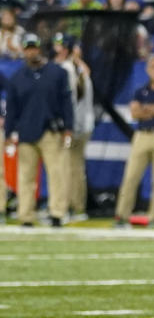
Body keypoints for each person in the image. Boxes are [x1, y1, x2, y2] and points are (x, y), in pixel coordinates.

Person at [4, 33, 74, 227]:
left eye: (34, 47)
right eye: (27, 48)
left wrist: (68, 126)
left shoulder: (57, 73)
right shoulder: (17, 78)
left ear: (40, 49)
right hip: (26, 133)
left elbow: (66, 101)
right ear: (23, 50)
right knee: (25, 177)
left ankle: (57, 213)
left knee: (56, 173)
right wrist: (9, 133)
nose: (31, 51)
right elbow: (12, 109)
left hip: (51, 131)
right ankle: (26, 215)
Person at [114, 55, 154, 228]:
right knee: (131, 177)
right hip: (142, 135)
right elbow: (135, 113)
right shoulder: (139, 90)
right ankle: (122, 216)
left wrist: (146, 108)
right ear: (148, 69)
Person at [53, 34, 95, 222]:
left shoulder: (67, 69)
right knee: (76, 167)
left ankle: (69, 207)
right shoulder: (81, 69)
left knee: (67, 167)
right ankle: (78, 208)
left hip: (74, 125)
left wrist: (67, 126)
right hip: (84, 124)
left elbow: (69, 101)